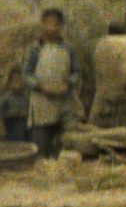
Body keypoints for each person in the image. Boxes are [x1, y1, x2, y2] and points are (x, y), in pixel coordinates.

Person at [24, 8, 83, 159]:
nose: (52, 27)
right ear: (42, 25)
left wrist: (68, 84)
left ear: (61, 26)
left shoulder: (68, 50)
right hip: (42, 103)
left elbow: (77, 72)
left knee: (68, 143)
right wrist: (40, 86)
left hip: (65, 102)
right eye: (48, 23)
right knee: (41, 146)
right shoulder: (36, 50)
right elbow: (27, 74)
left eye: (56, 23)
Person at [0, 65, 31, 143]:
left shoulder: (27, 96)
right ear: (9, 82)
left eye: (20, 80)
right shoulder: (6, 98)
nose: (18, 83)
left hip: (25, 128)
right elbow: (0, 114)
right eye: (15, 80)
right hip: (11, 126)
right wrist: (11, 114)